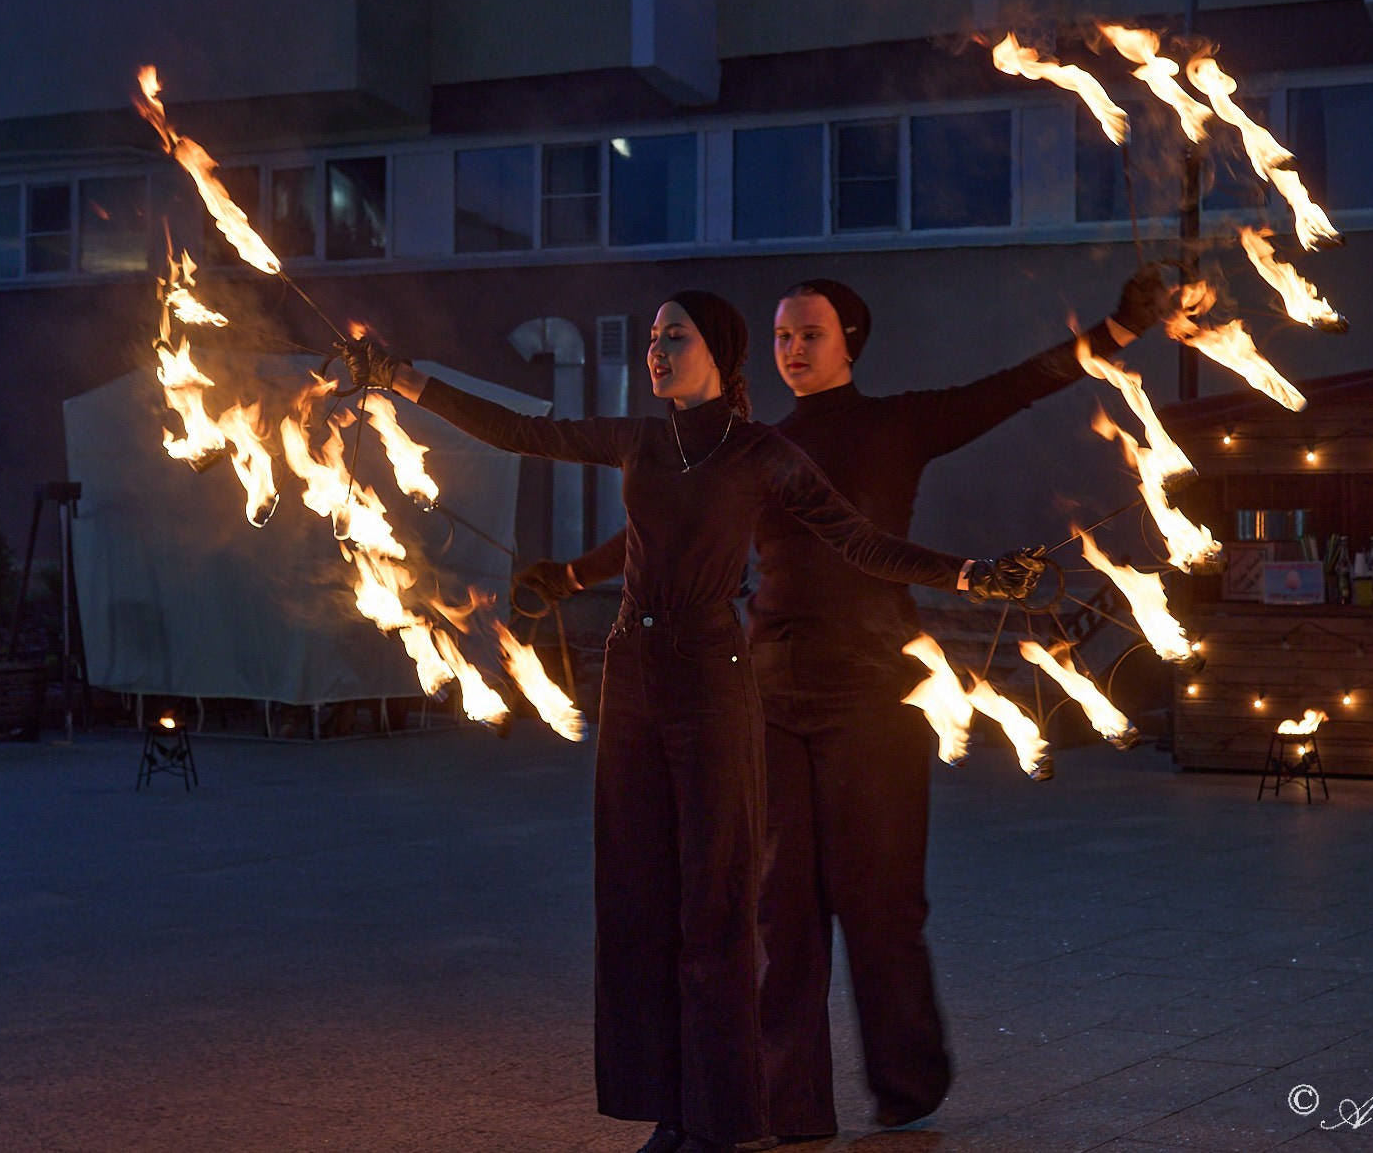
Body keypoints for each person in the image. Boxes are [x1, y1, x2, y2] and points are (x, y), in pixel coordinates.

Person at [338, 291, 1044, 1153]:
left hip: (713, 676)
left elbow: (859, 541)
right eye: (652, 337)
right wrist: (402, 378)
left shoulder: (760, 452)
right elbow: (523, 432)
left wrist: (972, 573)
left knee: (715, 906)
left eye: (676, 335)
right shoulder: (640, 440)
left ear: (720, 352)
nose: (657, 348)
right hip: (631, 675)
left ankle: (723, 1119)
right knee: (636, 900)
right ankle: (670, 1112)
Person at [516, 271, 1171, 1141]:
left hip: (874, 689)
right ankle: (789, 1104)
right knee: (778, 911)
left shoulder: (900, 424)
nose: (792, 349)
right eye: (781, 336)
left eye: (811, 334)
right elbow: (659, 523)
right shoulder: (753, 445)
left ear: (850, 342)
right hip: (768, 692)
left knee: (879, 900)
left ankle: (907, 1084)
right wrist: (567, 577)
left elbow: (1015, 386)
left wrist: (1120, 327)